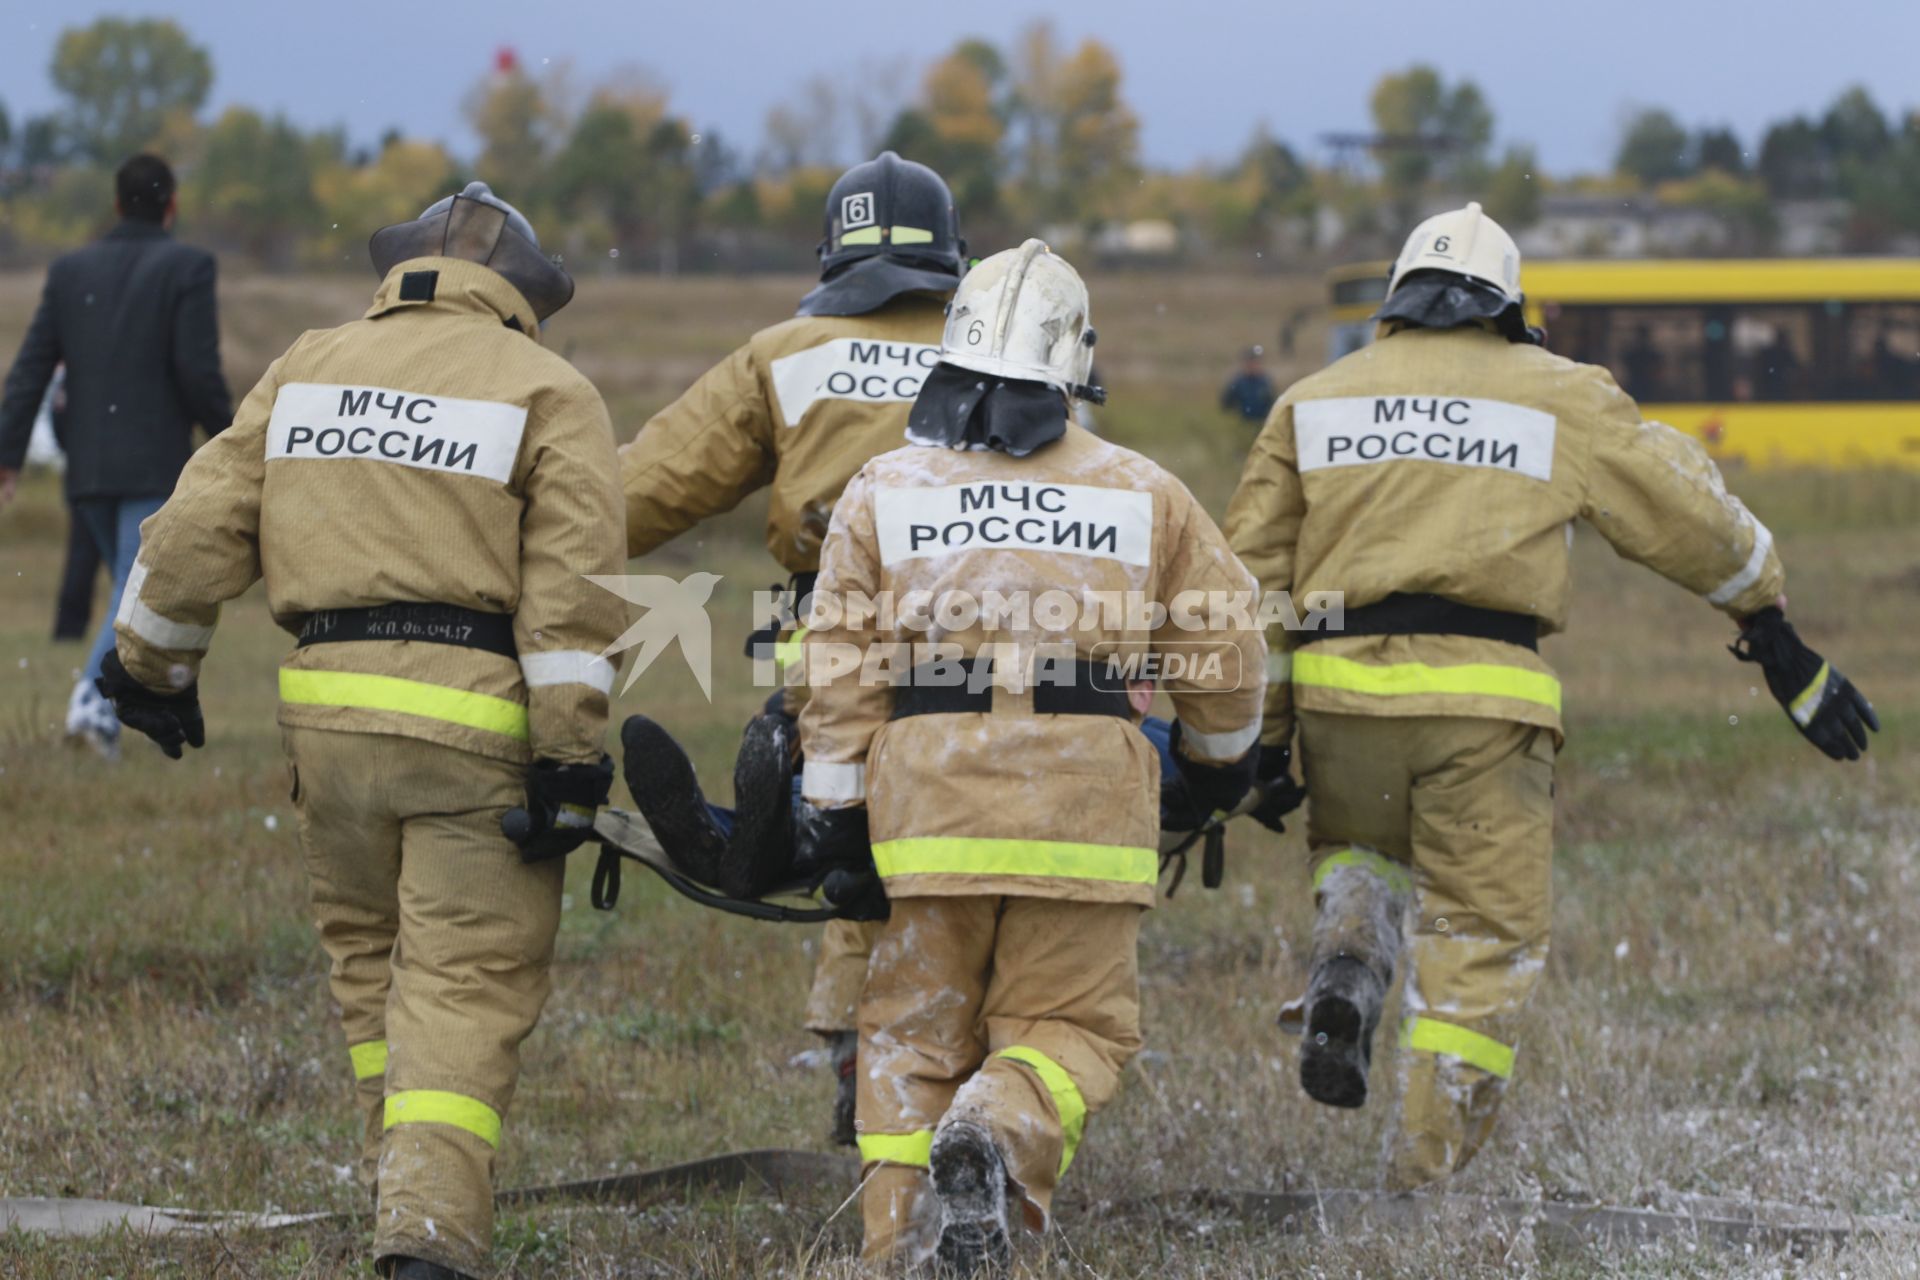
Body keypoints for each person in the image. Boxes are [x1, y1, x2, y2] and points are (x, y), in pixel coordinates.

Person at [1225, 202, 1878, 1192]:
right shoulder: (1559, 395)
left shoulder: (1313, 401)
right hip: (1485, 707)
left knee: (1365, 848)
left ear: (1398, 299)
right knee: (1482, 943)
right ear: (1508, 304)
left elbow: (1247, 587)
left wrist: (1257, 743)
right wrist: (1766, 614)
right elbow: (1685, 509)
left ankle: (1347, 969)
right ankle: (1420, 1189)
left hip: (1339, 697)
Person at [91, 182, 627, 1280]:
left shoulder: (308, 363)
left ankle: (404, 1178)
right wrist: (572, 754)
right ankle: (428, 1237)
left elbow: (194, 531)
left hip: (327, 731)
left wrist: (153, 667)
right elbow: (572, 599)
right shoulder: (549, 387)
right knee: (461, 979)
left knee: (372, 966)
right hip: (475, 732)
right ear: (522, 293)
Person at [797, 240, 1267, 1271]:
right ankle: (998, 1125)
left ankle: (893, 1249)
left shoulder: (884, 486)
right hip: (1084, 818)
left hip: (923, 814)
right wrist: (1219, 761)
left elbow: (834, 658)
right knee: (1071, 1026)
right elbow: (1227, 648)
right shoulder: (1146, 489)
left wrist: (832, 803)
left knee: (911, 1033)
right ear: (1073, 356)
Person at [614, 151, 966, 1144]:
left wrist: (509, 524)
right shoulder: (1012, 350)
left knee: (853, 835)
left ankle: (761, 845)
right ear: (955, 257)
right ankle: (955, 1092)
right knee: (945, 866)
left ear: (830, 254)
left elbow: (645, 490)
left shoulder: (787, 349)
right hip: (986, 650)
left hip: (832, 650)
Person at [0, 153, 233, 756]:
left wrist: (8, 455)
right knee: (133, 596)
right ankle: (92, 706)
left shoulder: (71, 269)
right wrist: (233, 441)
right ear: (172, 205)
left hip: (87, 469)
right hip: (153, 464)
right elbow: (197, 370)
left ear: (115, 203)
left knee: (128, 596)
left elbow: (29, 369)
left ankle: (122, 708)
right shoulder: (188, 266)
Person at [1219, 345, 1276, 422]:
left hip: (1261, 425)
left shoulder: (1266, 382)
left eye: (1256, 362)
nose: (1253, 365)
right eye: (1250, 362)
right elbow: (1226, 405)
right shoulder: (1237, 382)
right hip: (1242, 425)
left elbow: (1272, 404)